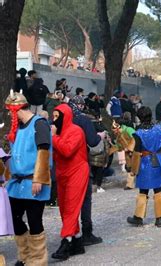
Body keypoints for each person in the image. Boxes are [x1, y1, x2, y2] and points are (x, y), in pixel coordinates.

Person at [4, 91, 52, 265]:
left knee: (34, 220)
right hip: (17, 184)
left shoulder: (39, 124)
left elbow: (43, 151)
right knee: (15, 219)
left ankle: (38, 260)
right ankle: (25, 256)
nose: (9, 115)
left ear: (15, 109)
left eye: (10, 111)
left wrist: (38, 179)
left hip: (34, 181)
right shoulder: (18, 128)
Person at [51, 104, 89, 260]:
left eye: (56, 117)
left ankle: (66, 242)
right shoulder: (59, 132)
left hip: (77, 172)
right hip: (63, 174)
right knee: (65, 208)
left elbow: (67, 150)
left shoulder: (76, 131)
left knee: (71, 208)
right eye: (52, 117)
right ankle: (77, 240)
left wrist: (53, 137)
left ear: (64, 116)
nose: (53, 120)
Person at [68, 96, 104, 246]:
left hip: (63, 165)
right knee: (85, 200)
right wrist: (100, 136)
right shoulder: (82, 120)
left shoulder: (59, 119)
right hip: (80, 163)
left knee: (68, 202)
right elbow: (93, 141)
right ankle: (86, 232)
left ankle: (70, 235)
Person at [127, 107, 161, 227]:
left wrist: (133, 169)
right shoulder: (158, 129)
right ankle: (159, 218)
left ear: (139, 118)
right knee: (158, 190)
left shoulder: (138, 133)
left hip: (145, 163)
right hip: (158, 160)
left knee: (143, 190)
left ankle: (138, 217)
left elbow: (136, 153)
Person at [111, 120, 136, 190]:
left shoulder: (129, 130)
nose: (114, 132)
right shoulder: (118, 136)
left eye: (114, 130)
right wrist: (109, 151)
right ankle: (130, 184)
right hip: (128, 154)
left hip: (135, 151)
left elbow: (136, 139)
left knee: (139, 167)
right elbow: (118, 146)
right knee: (129, 168)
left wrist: (130, 148)